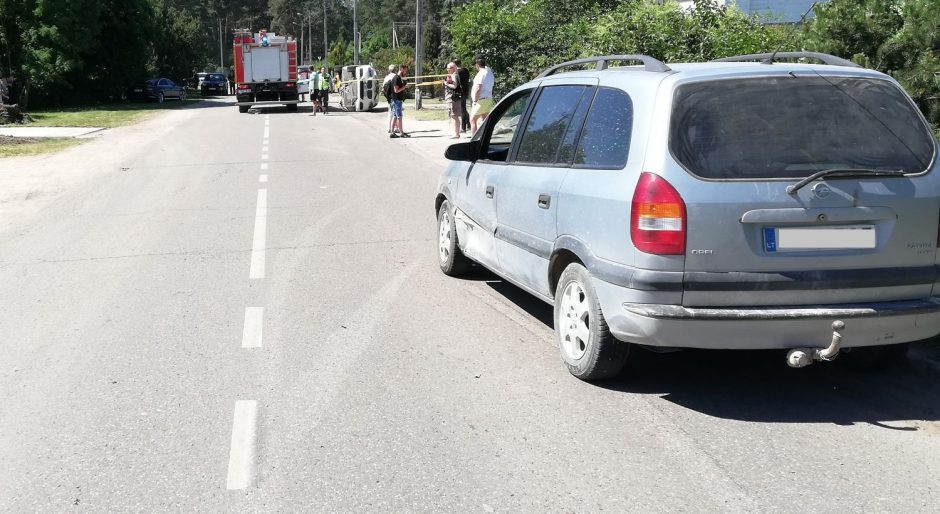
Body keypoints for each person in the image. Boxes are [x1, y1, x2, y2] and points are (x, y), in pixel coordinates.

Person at [470, 54, 495, 135]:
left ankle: (473, 140)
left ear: (477, 64)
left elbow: (478, 88)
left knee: (473, 120)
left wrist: (475, 100)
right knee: (484, 120)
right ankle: (485, 137)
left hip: (481, 100)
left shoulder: (481, 73)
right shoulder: (489, 71)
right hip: (488, 98)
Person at [390, 64, 411, 138]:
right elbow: (396, 90)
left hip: (397, 100)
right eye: (405, 70)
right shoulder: (396, 78)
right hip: (397, 100)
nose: (406, 72)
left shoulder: (399, 78)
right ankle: (401, 133)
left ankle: (392, 132)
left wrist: (404, 86)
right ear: (401, 69)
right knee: (399, 116)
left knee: (395, 116)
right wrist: (404, 87)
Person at [443, 62, 462, 139]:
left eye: (449, 68)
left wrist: (446, 84)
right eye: (447, 68)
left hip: (452, 98)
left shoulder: (454, 75)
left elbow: (454, 86)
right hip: (455, 98)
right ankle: (456, 133)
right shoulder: (455, 74)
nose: (447, 70)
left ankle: (456, 134)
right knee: (455, 116)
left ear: (453, 68)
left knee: (454, 116)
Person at [454, 58, 471, 133]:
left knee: (462, 110)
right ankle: (468, 124)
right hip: (466, 90)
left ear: (454, 64)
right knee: (464, 108)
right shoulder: (466, 70)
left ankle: (463, 128)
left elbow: (457, 83)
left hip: (460, 92)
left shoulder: (457, 72)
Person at [382, 64, 397, 134]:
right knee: (395, 114)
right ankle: (394, 129)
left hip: (388, 98)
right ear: (395, 70)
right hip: (395, 97)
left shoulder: (386, 77)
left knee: (390, 113)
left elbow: (383, 89)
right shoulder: (395, 77)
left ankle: (389, 128)